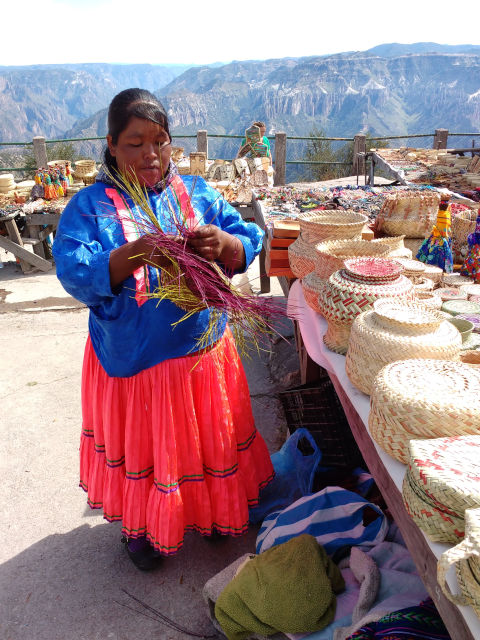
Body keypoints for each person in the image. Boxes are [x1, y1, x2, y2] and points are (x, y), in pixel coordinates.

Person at [52, 88, 274, 571]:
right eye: (135, 143)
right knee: (152, 450)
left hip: (202, 351)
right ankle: (146, 526)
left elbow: (249, 238)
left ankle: (212, 509)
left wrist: (226, 243)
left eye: (160, 140)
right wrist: (136, 252)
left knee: (204, 437)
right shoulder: (89, 209)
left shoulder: (197, 194)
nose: (150, 153)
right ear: (111, 144)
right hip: (135, 360)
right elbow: (73, 270)